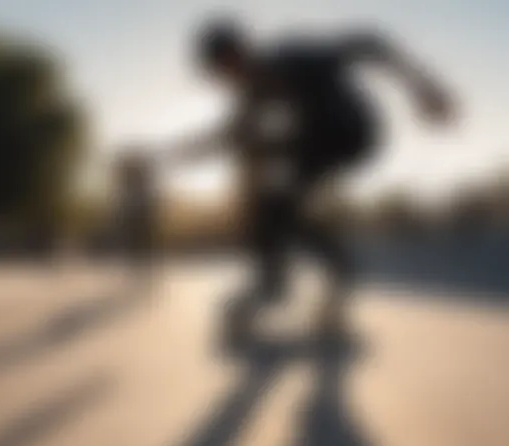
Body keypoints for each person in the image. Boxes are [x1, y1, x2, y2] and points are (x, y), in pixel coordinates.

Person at [161, 18, 456, 338]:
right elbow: (226, 136)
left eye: (226, 69)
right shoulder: (251, 98)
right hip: (309, 145)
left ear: (240, 52)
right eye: (219, 76)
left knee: (268, 174)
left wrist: (423, 86)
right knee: (263, 185)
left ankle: (285, 277)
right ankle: (288, 277)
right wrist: (173, 155)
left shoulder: (293, 59)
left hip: (352, 130)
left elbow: (369, 43)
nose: (228, 80)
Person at [114, 149, 158, 294]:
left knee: (141, 242)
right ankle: (140, 270)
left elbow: (145, 200)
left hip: (139, 214)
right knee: (137, 242)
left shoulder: (138, 183)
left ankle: (143, 271)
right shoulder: (134, 183)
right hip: (136, 214)